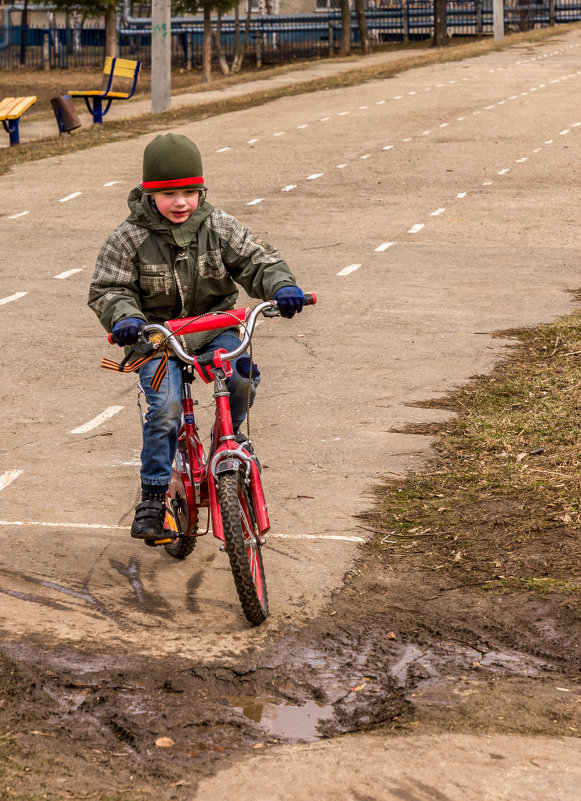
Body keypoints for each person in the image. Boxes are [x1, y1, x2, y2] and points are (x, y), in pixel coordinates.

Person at [88, 133, 305, 541]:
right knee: (166, 409)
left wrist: (281, 287)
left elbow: (259, 260)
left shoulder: (219, 225)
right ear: (149, 193)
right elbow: (108, 289)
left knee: (239, 373)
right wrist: (125, 318)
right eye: (168, 193)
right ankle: (153, 496)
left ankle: (231, 433)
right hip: (155, 338)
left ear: (201, 191)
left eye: (190, 191)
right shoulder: (127, 238)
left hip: (213, 327)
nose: (181, 202)